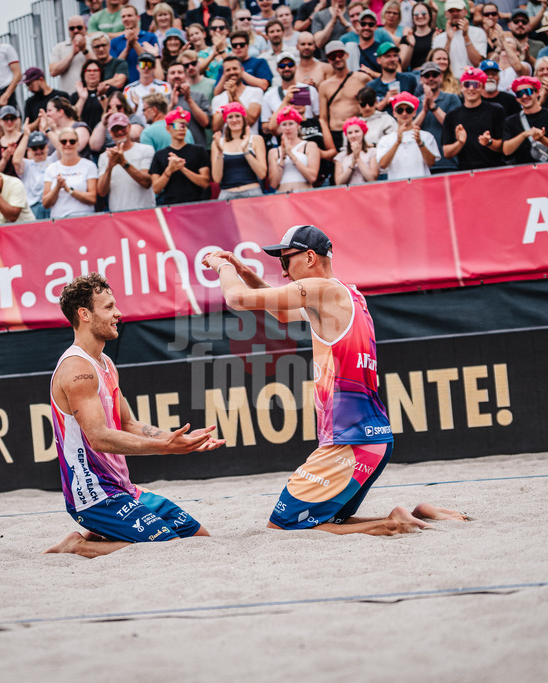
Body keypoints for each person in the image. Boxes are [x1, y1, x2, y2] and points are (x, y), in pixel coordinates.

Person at [202, 225, 469, 535]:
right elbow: (281, 313)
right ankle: (407, 514)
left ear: (310, 257)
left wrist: (220, 265)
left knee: (282, 527)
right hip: (372, 440)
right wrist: (243, 269)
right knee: (325, 522)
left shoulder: (321, 290)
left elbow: (236, 299)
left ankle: (394, 522)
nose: (284, 272)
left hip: (350, 443)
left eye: (285, 261)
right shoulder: (348, 293)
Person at [43, 274, 224, 559]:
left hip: (122, 488)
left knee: (198, 537)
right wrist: (164, 448)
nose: (118, 313)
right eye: (109, 307)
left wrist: (179, 439)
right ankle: (78, 545)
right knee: (167, 547)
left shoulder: (105, 362)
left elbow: (127, 423)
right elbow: (99, 438)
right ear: (84, 314)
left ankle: (99, 534)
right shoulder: (77, 370)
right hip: (93, 495)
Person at [442, 67, 506, 169]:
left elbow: (504, 146)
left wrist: (489, 142)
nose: (471, 88)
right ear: (461, 87)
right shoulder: (451, 116)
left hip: (494, 171)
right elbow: (447, 153)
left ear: (482, 88)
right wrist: (460, 143)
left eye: (476, 84)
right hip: (467, 173)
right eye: (467, 84)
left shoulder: (496, 110)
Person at [319, 41, 374, 151]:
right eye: (333, 56)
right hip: (336, 132)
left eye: (340, 55)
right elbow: (323, 118)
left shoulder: (362, 79)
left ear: (346, 55)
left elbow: (373, 105)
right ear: (329, 60)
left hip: (356, 131)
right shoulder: (324, 86)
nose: (337, 59)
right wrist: (329, 143)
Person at [150, 107, 213, 204]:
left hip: (197, 205)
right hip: (171, 206)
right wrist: (169, 170)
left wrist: (183, 168)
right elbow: (156, 189)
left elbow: (205, 183)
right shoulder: (159, 155)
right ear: (168, 128)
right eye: (177, 125)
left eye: (184, 125)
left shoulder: (199, 151)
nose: (181, 129)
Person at [502, 75, 548, 163]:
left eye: (528, 91)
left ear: (537, 92)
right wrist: (524, 134)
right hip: (523, 172)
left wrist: (542, 139)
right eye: (519, 94)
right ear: (516, 98)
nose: (524, 96)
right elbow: (506, 150)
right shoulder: (510, 121)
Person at [97, 113, 158, 211]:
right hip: (119, 216)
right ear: (110, 132)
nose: (120, 132)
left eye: (122, 128)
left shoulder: (146, 150)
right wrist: (109, 167)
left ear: (129, 127)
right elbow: (102, 192)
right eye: (115, 129)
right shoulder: (104, 157)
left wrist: (123, 162)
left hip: (145, 212)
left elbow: (147, 183)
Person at [376, 92, 441, 179]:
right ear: (394, 113)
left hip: (421, 188)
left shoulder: (426, 136)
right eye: (400, 110)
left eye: (408, 110)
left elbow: (431, 163)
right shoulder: (385, 139)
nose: (404, 113)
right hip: (397, 189)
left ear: (414, 113)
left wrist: (420, 143)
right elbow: (383, 165)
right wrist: (397, 143)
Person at [414, 60, 463, 173]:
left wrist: (433, 106)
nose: (431, 78)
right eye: (427, 75)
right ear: (421, 79)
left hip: (448, 162)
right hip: (422, 164)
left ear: (440, 77)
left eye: (434, 75)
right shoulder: (415, 102)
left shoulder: (452, 98)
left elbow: (455, 126)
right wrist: (424, 111)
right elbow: (410, 130)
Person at [211, 102, 268, 199]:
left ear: (243, 118)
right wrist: (220, 152)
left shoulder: (255, 139)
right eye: (230, 117)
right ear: (226, 120)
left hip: (252, 192)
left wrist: (245, 151)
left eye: (237, 116)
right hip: (227, 194)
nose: (234, 120)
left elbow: (262, 174)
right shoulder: (218, 142)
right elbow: (216, 178)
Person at [43, 127, 99, 218]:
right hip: (59, 220)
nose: (68, 144)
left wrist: (69, 190)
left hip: (84, 218)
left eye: (72, 141)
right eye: (64, 141)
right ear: (59, 144)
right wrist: (57, 187)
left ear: (77, 143)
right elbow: (45, 203)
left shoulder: (89, 166)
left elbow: (92, 198)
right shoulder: (51, 168)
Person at [261, 53, 321, 134]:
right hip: (282, 138)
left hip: (308, 135)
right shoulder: (269, 95)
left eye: (290, 65)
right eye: (282, 66)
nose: (286, 68)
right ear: (277, 69)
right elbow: (265, 127)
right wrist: (285, 103)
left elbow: (318, 117)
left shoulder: (309, 89)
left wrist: (274, 117)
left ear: (296, 67)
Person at [268, 107, 321, 192]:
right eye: (284, 124)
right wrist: (283, 158)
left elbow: (312, 177)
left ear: (298, 126)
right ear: (280, 128)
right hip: (283, 195)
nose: (288, 128)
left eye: (291, 124)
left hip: (304, 194)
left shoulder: (310, 146)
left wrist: (292, 156)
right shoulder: (274, 152)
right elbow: (273, 184)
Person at [432, 0, 488, 77]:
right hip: (449, 82)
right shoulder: (438, 39)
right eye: (451, 11)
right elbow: (438, 66)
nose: (455, 13)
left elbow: (477, 62)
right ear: (446, 14)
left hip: (471, 81)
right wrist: (449, 40)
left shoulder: (478, 32)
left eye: (458, 10)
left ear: (465, 12)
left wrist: (466, 36)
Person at [211, 57, 266, 134]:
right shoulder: (217, 99)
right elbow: (216, 128)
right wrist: (229, 102)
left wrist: (234, 97)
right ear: (223, 74)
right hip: (226, 144)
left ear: (242, 70)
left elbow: (250, 121)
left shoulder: (256, 92)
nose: (232, 72)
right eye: (228, 70)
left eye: (235, 68)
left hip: (250, 143)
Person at [111, 5, 161, 82]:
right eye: (123, 17)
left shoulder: (150, 37)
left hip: (147, 83)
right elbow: (114, 67)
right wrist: (127, 49)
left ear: (138, 17)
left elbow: (151, 61)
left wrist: (134, 43)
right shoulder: (115, 41)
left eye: (129, 15)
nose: (126, 19)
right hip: (123, 85)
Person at [166, 62, 212, 145]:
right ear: (167, 78)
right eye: (173, 73)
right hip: (171, 149)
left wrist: (189, 100)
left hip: (197, 149)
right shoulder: (163, 100)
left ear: (186, 76)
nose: (176, 75)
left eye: (180, 72)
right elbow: (162, 126)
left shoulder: (199, 96)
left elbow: (205, 123)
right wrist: (171, 105)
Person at [13, 130, 52, 219]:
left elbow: (62, 149)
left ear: (47, 147)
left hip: (51, 204)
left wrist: (49, 131)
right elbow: (16, 160)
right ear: (29, 150)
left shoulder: (53, 160)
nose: (38, 151)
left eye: (41, 147)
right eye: (34, 148)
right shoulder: (27, 164)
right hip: (33, 207)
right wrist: (26, 135)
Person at [369, 42, 420, 107]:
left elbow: (418, 104)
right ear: (379, 60)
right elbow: (367, 112)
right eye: (388, 56)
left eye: (395, 55)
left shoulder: (409, 80)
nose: (392, 59)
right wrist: (385, 101)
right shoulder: (372, 86)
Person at [49, 15, 90, 94]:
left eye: (79, 27)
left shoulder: (93, 43)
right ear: (68, 30)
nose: (75, 30)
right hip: (69, 95)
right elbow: (53, 72)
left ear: (85, 27)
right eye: (72, 28)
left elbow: (101, 66)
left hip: (91, 94)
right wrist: (72, 54)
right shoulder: (59, 47)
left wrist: (84, 49)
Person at [333, 116, 381, 184]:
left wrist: (358, 158)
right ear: (347, 135)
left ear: (363, 132)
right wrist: (352, 164)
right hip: (349, 193)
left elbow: (372, 179)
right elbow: (339, 183)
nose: (353, 135)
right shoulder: (340, 156)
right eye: (350, 133)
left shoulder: (372, 152)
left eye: (357, 131)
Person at [0, 105, 24, 178]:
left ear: (17, 120)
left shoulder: (24, 138)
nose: (9, 122)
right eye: (5, 119)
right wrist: (4, 159)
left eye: (12, 118)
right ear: (0, 121)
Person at [400, 2, 438, 70]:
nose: (420, 16)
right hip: (415, 75)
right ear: (412, 17)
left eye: (423, 13)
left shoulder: (438, 34)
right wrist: (411, 46)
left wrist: (435, 43)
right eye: (416, 14)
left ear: (430, 16)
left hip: (434, 73)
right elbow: (402, 66)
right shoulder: (407, 38)